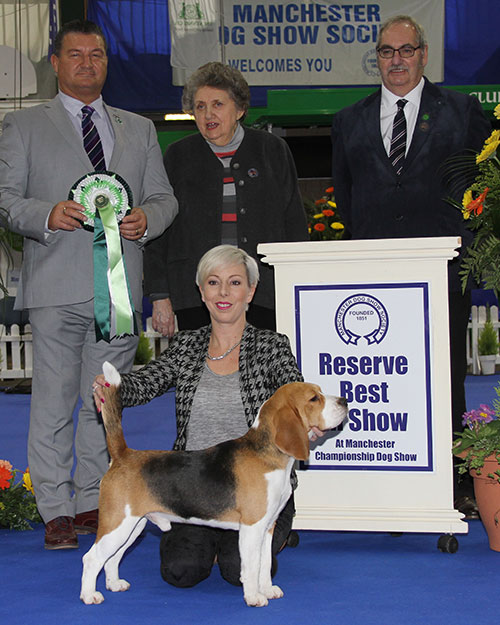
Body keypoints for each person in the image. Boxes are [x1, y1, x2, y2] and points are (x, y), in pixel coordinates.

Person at [0, 19, 178, 549]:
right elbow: (6, 199)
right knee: (53, 402)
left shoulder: (139, 129)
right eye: (74, 54)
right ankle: (54, 506)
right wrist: (46, 213)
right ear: (54, 64)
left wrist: (147, 218)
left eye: (96, 54)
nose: (86, 63)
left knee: (104, 404)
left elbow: (164, 199)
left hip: (118, 291)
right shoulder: (24, 127)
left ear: (106, 62)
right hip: (55, 286)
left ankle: (88, 500)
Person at [330, 15, 491, 517]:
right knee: (381, 373)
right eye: (386, 51)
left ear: (424, 55)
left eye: (406, 50)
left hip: (443, 270)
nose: (396, 60)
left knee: (445, 374)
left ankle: (455, 478)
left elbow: (482, 188)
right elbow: (346, 197)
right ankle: (382, 472)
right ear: (376, 57)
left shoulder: (463, 113)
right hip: (373, 274)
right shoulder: (348, 120)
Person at [93, 245, 304, 588]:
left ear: (250, 291)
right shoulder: (187, 345)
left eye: (235, 283)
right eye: (213, 282)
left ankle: (252, 536)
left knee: (239, 572)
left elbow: (296, 402)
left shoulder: (272, 346)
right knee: (181, 571)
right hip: (194, 484)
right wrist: (112, 389)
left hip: (257, 487)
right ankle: (222, 538)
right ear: (201, 291)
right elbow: (145, 383)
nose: (224, 293)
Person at [143, 61, 308, 337]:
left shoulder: (272, 150)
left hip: (264, 293)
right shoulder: (176, 156)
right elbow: (159, 230)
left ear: (240, 109)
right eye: (200, 106)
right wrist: (160, 295)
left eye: (218, 104)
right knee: (202, 377)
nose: (208, 114)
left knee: (260, 375)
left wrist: (300, 283)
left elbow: (294, 224)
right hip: (194, 295)